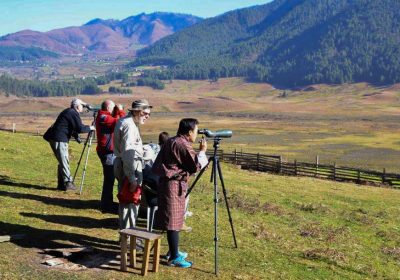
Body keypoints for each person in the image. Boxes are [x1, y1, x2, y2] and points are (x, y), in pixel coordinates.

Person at [152, 118, 208, 268]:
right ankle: (174, 257)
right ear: (190, 132)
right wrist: (202, 152)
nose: (197, 135)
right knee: (173, 221)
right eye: (196, 131)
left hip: (168, 184)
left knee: (174, 219)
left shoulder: (172, 140)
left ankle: (173, 251)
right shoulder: (182, 144)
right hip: (173, 185)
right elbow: (195, 166)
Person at [114, 99, 152, 230]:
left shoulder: (127, 122)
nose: (147, 116)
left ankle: (128, 235)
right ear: (138, 112)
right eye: (146, 113)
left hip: (126, 165)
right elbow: (128, 154)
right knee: (130, 202)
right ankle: (129, 238)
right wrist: (132, 179)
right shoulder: (129, 126)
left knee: (127, 201)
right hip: (130, 168)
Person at [43, 98, 95, 191]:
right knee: (64, 161)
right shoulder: (73, 113)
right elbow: (79, 128)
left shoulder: (69, 112)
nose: (83, 108)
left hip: (55, 138)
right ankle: (68, 183)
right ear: (77, 106)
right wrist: (91, 127)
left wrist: (76, 136)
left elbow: (71, 126)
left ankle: (62, 184)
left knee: (62, 161)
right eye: (82, 106)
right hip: (59, 139)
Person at [95, 99, 126, 213]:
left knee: (110, 178)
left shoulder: (104, 116)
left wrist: (117, 111)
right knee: (109, 179)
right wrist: (121, 111)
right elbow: (120, 123)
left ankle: (107, 202)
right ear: (108, 108)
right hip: (107, 153)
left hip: (107, 152)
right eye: (113, 108)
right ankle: (106, 205)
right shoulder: (104, 117)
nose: (115, 110)